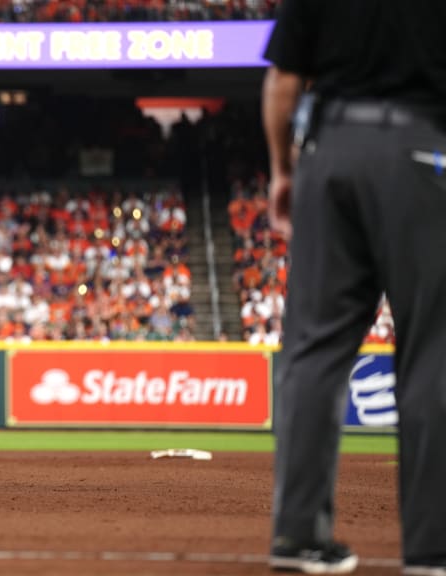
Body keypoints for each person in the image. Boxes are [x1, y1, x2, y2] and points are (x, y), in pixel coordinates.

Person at [262, 1, 446, 573]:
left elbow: (283, 80)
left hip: (329, 152)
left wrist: (284, 171)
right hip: (424, 147)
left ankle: (298, 538)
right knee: (433, 351)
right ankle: (432, 548)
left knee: (314, 349)